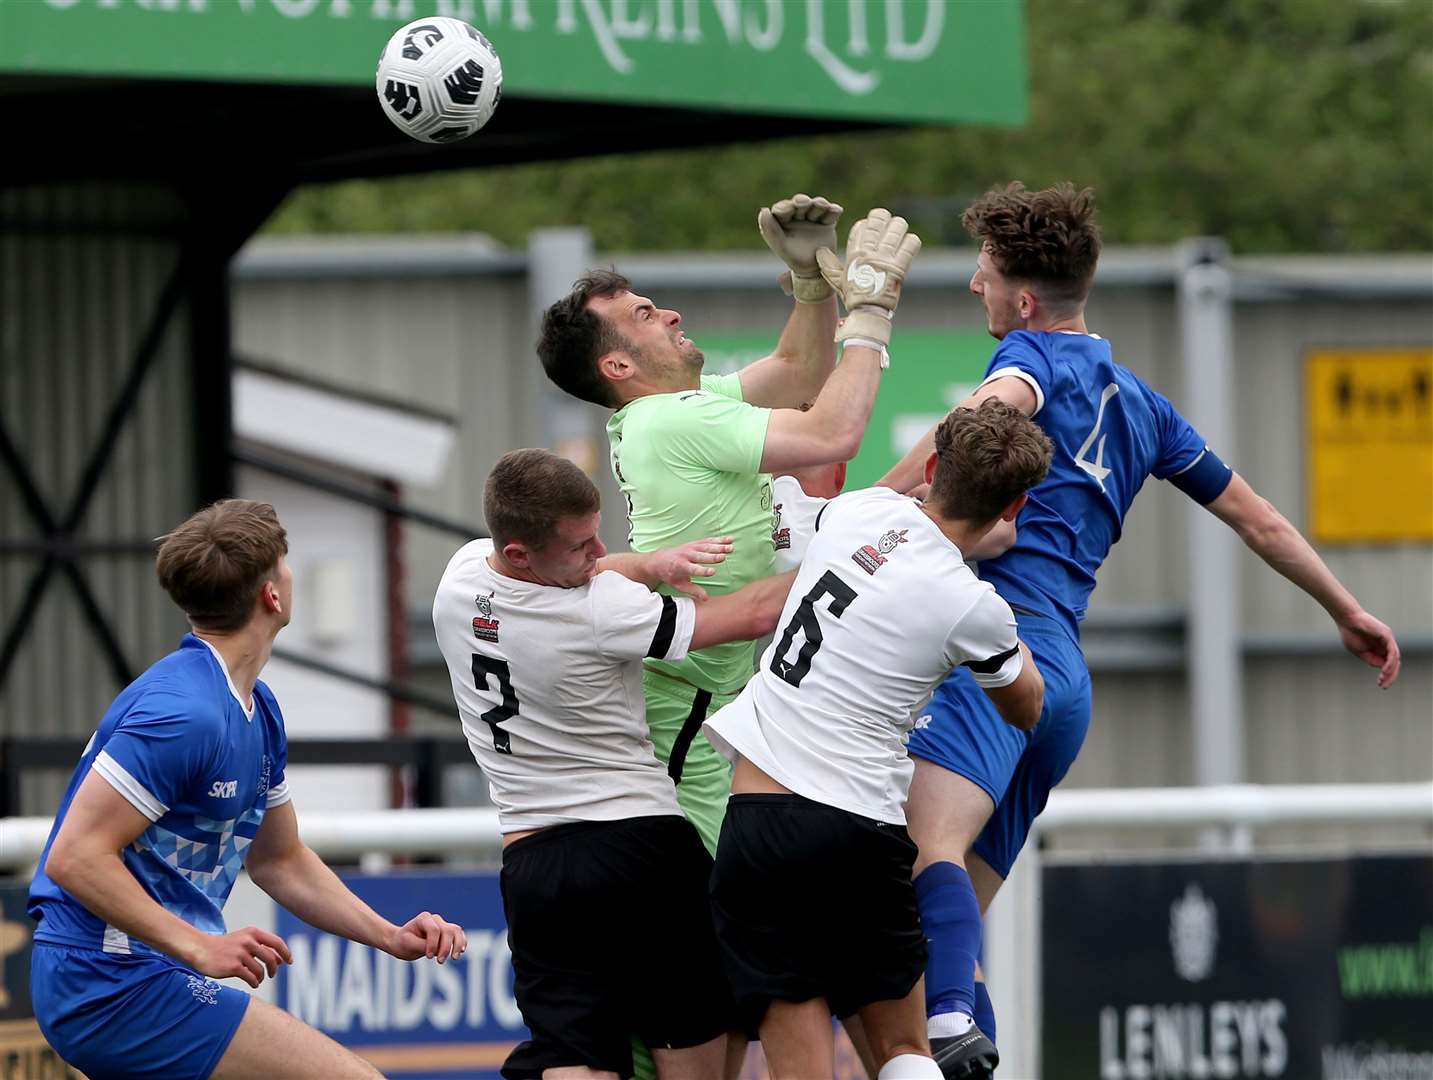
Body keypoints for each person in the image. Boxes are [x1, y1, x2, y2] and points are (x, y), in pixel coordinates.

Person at [880, 182, 1404, 1079]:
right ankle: (962, 1041)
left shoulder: (1027, 364)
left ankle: (954, 1028)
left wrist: (856, 510)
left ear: (1024, 300)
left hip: (996, 652)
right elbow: (1258, 519)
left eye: (982, 273)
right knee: (947, 917)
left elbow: (970, 438)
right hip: (1064, 687)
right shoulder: (1142, 404)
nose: (975, 287)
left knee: (917, 859)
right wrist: (1342, 607)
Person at [536, 197, 923, 862]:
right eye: (645, 317)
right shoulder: (670, 419)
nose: (670, 314)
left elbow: (798, 375)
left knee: (733, 906)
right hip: (689, 699)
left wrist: (810, 287)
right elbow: (831, 429)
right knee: (717, 909)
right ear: (619, 367)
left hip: (712, 688)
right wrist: (869, 316)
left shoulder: (668, 412)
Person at [26, 499, 466, 1080]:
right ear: (272, 596)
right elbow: (75, 856)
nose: (289, 572)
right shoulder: (185, 714)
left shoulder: (259, 709)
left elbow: (280, 860)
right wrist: (198, 946)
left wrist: (389, 935)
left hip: (145, 974)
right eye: (285, 563)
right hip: (109, 981)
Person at [703, 401, 1053, 1080]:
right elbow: (1026, 706)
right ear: (1013, 507)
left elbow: (875, 524)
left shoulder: (858, 512)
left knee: (799, 1052)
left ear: (930, 469)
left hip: (759, 821)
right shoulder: (972, 606)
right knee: (903, 1051)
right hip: (858, 829)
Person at [431, 448, 796, 1080]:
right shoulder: (602, 612)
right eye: (580, 546)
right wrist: (856, 551)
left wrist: (651, 564)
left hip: (535, 865)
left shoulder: (461, 578)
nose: (601, 554)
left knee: (573, 1059)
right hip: (641, 849)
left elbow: (600, 573)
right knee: (691, 1047)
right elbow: (755, 614)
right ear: (519, 552)